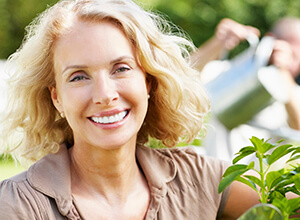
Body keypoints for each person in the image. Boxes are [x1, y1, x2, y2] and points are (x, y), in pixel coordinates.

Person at [0, 0, 262, 219]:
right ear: (57, 98)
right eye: (78, 76)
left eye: (121, 69)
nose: (105, 95)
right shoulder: (17, 206)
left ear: (148, 81)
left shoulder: (200, 179)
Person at [196, 17, 300, 161]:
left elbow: (298, 125)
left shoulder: (293, 94)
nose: (293, 64)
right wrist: (218, 42)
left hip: (256, 182)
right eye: (292, 55)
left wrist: (282, 71)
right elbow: (184, 76)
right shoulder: (230, 74)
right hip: (212, 175)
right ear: (270, 40)